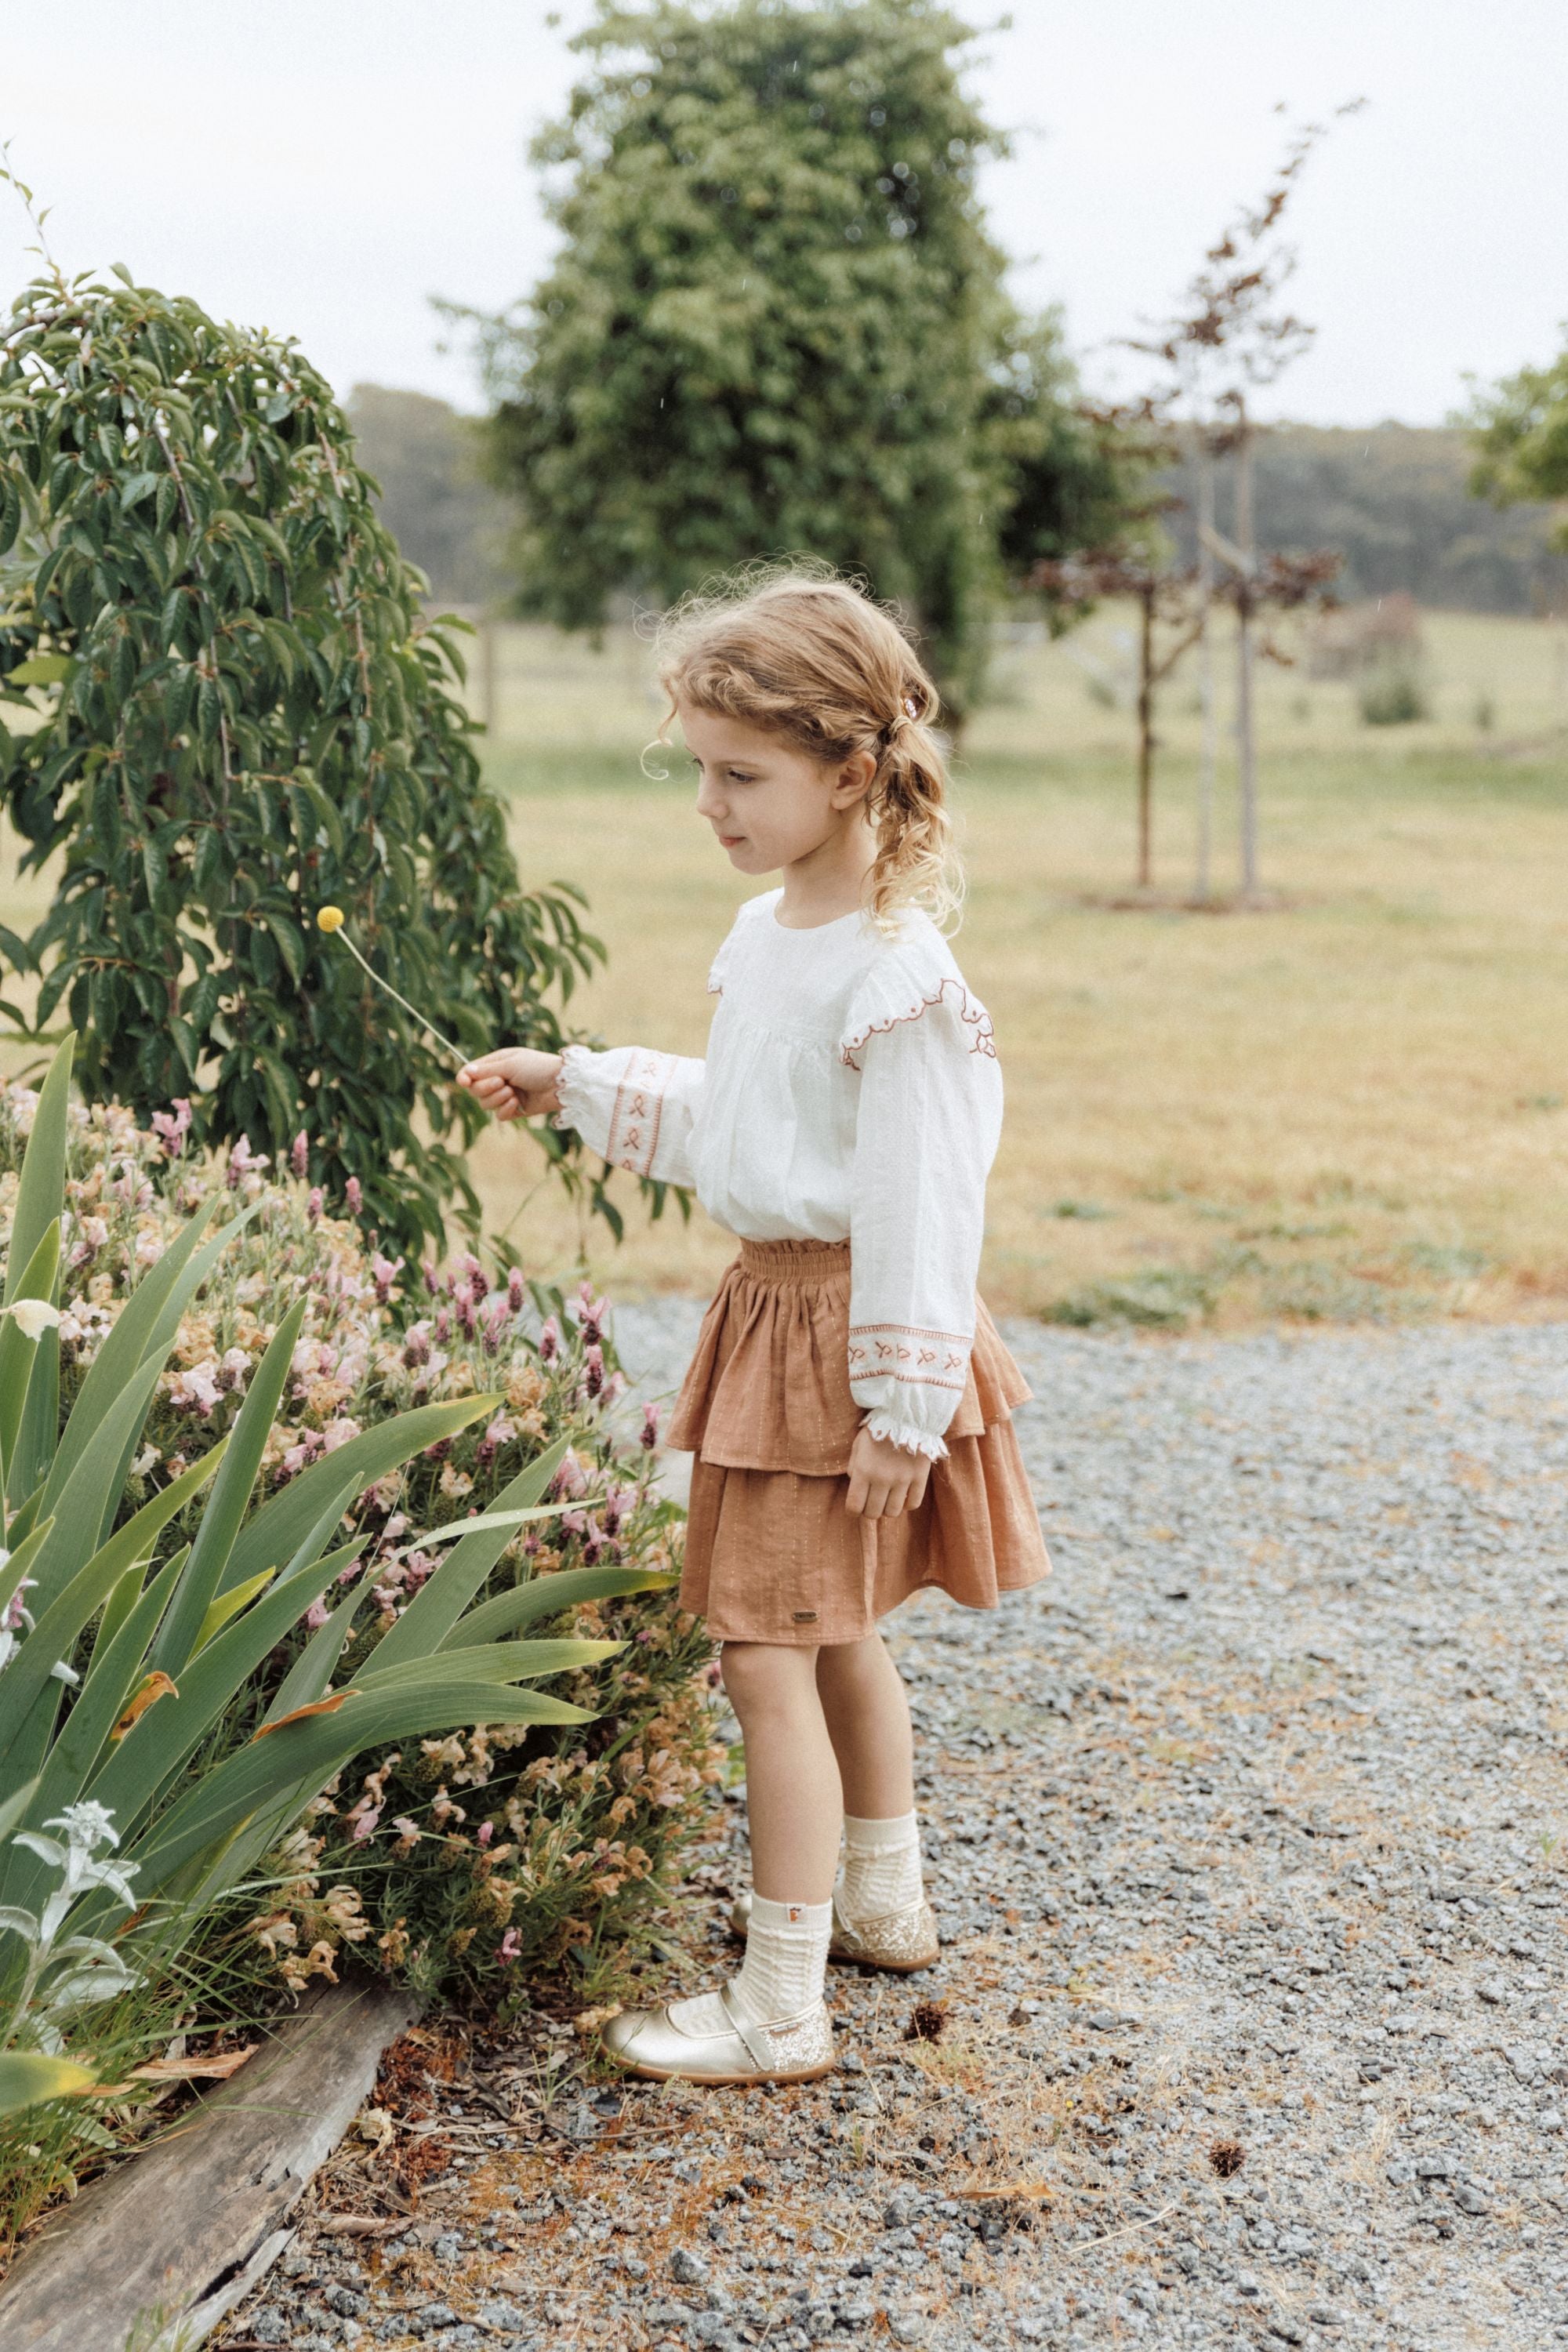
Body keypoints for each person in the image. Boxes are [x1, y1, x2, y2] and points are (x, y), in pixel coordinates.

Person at [457, 569, 1049, 2087]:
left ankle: (780, 2006)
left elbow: (929, 1202)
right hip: (776, 1318)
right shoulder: (771, 932)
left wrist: (903, 1413)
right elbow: (739, 1114)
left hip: (842, 1340)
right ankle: (882, 1899)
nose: (708, 802)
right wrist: (574, 1081)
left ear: (850, 772)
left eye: (741, 773)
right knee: (827, 1632)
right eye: (701, 770)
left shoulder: (898, 980)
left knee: (763, 1658)